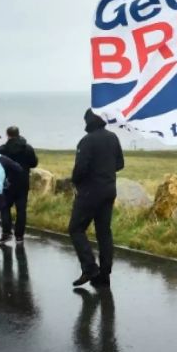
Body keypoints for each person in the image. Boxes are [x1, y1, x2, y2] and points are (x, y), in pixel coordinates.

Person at [68, 108, 124, 288]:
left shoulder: (86, 141)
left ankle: (90, 267)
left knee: (76, 228)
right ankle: (104, 274)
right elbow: (120, 164)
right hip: (109, 190)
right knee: (104, 232)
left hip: (89, 192)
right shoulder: (113, 137)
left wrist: (75, 181)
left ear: (88, 121)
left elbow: (80, 169)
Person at [0, 126, 38, 243]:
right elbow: (34, 163)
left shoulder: (2, 150)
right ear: (19, 133)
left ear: (7, 134)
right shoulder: (28, 148)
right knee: (21, 210)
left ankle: (6, 233)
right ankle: (19, 235)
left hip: (6, 182)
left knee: (5, 208)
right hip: (23, 182)